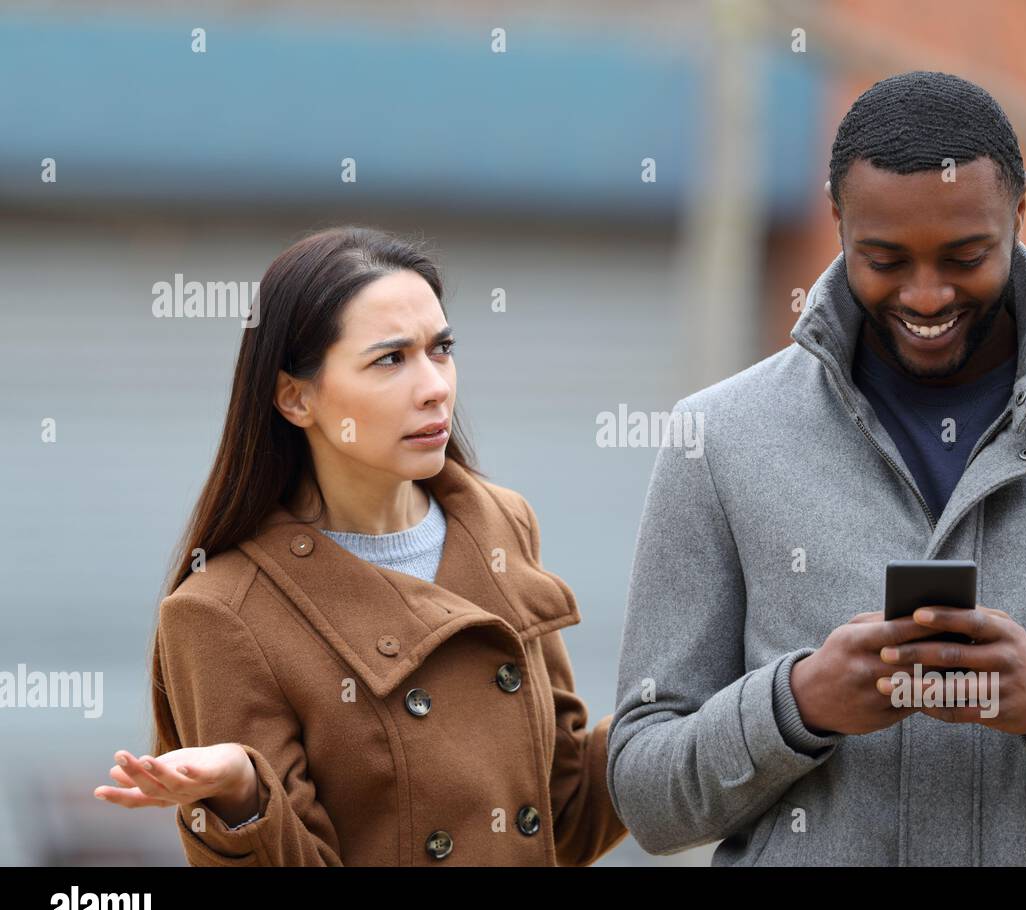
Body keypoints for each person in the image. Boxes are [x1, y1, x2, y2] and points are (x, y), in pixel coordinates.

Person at [607, 71, 1026, 865]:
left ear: (1020, 215)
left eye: (965, 255)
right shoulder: (715, 437)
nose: (925, 295)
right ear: (837, 220)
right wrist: (799, 704)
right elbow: (645, 795)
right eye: (883, 258)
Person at [94, 226, 627, 866]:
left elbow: (561, 816)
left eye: (442, 348)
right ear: (296, 397)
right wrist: (243, 794)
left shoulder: (499, 524)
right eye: (390, 359)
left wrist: (714, 705)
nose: (435, 386)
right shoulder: (220, 613)